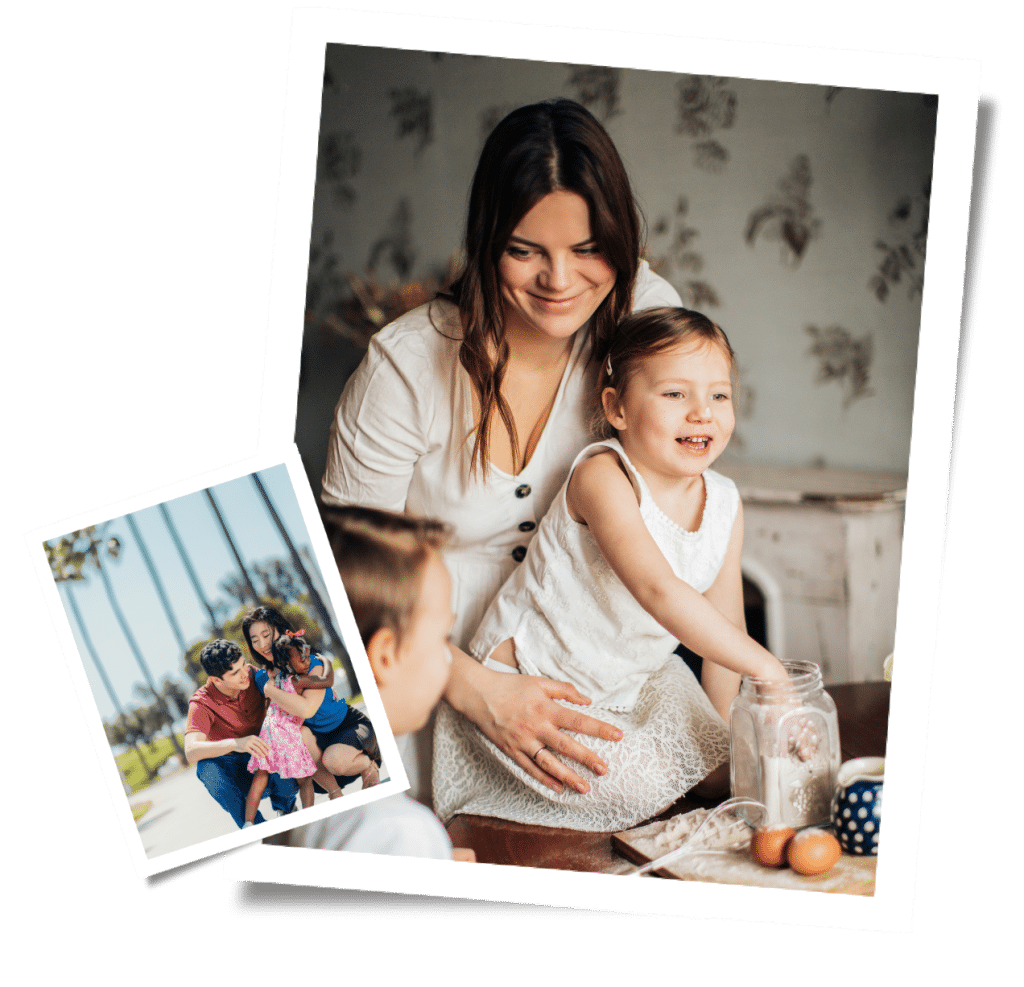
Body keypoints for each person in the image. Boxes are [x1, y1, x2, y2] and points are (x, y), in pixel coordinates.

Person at [322, 98, 683, 804]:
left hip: (581, 669)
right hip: (425, 684)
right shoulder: (405, 366)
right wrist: (480, 689)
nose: (559, 280)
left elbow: (691, 489)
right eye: (526, 249)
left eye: (588, 249)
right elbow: (343, 579)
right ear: (488, 239)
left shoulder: (643, 317)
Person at [434, 308, 792, 830]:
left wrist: (728, 745)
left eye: (720, 395)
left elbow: (725, 637)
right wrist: (770, 668)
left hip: (633, 680)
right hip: (533, 683)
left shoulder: (725, 503)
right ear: (617, 408)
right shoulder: (604, 475)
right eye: (675, 394)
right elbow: (658, 590)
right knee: (646, 787)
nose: (702, 413)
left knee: (724, 772)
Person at [279, 507, 474, 861]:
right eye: (442, 637)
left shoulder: (332, 803)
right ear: (386, 656)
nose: (448, 656)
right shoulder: (397, 833)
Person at [242, 605, 382, 797]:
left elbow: (307, 710)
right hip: (316, 750)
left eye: (266, 635)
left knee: (334, 759)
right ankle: (335, 794)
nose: (262, 644)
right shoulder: (260, 678)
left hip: (348, 730)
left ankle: (368, 764)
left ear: (281, 631)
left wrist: (270, 690)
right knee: (298, 733)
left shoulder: (308, 663)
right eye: (255, 639)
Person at [184, 639, 297, 827]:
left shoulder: (255, 675)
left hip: (266, 759)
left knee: (281, 743)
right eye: (235, 672)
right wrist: (236, 743)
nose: (245, 674)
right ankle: (255, 827)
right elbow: (191, 751)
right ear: (216, 679)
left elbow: (290, 691)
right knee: (206, 769)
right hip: (236, 772)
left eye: (243, 664)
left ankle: (286, 809)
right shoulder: (201, 703)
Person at [242, 632, 331, 827]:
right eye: (301, 659)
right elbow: (325, 681)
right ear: (288, 664)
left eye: (305, 656)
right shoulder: (297, 681)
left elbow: (267, 706)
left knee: (260, 777)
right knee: (306, 779)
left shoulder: (274, 680)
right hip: (286, 733)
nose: (306, 661)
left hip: (268, 731)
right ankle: (309, 817)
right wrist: (326, 662)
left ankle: (248, 823)